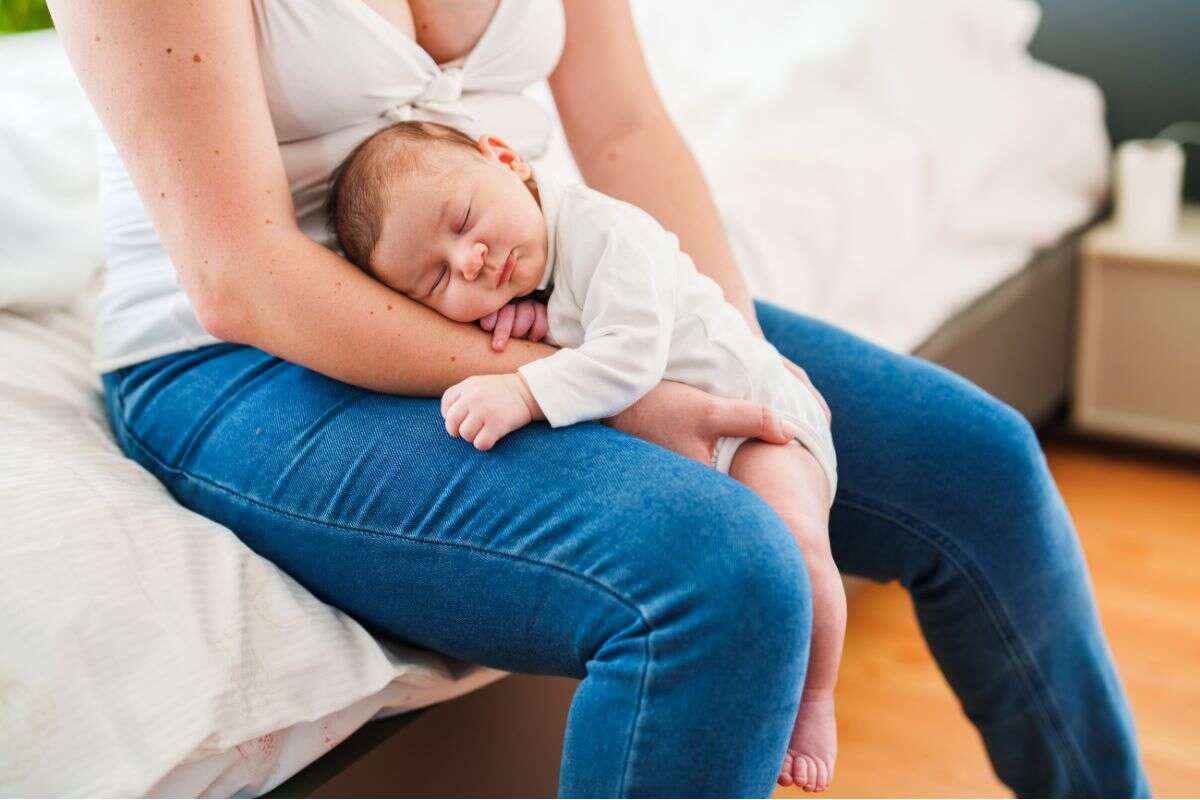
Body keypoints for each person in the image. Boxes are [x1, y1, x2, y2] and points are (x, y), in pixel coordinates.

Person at [50, 0, 1150, 796]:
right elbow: (239, 272)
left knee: (981, 466)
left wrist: (744, 380)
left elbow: (622, 127)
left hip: (552, 293)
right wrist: (594, 392)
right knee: (722, 576)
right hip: (253, 359)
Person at [326, 119, 844, 790]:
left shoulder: (605, 233)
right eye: (436, 280)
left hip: (761, 419)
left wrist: (525, 388)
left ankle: (815, 698)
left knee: (797, 546)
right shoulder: (533, 267)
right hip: (699, 429)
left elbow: (630, 355)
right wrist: (532, 317)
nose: (471, 261)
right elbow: (570, 318)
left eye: (462, 220)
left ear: (509, 161)